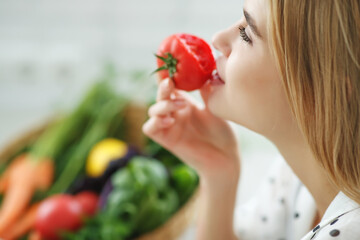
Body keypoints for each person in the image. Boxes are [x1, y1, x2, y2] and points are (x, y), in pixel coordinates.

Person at [142, 0, 360, 239]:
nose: (217, 39)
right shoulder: (291, 178)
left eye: (246, 34)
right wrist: (218, 171)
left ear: (324, 89)